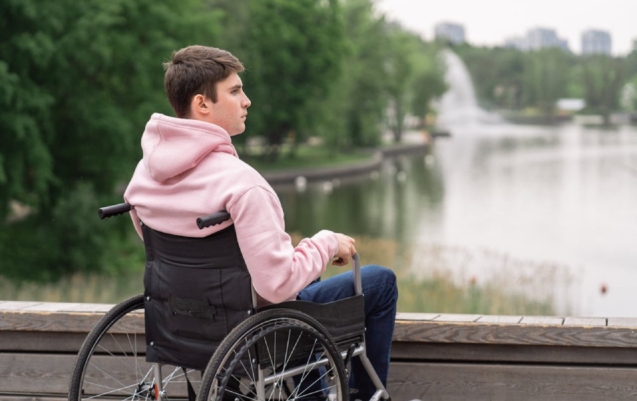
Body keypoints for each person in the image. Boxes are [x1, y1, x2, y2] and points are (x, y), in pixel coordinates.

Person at [124, 45, 398, 401]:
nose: (247, 100)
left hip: (183, 324)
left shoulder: (144, 176)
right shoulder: (242, 184)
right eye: (235, 91)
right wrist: (328, 241)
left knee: (306, 277)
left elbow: (164, 250)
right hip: (252, 328)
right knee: (381, 282)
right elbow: (277, 285)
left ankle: (313, 393)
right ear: (202, 104)